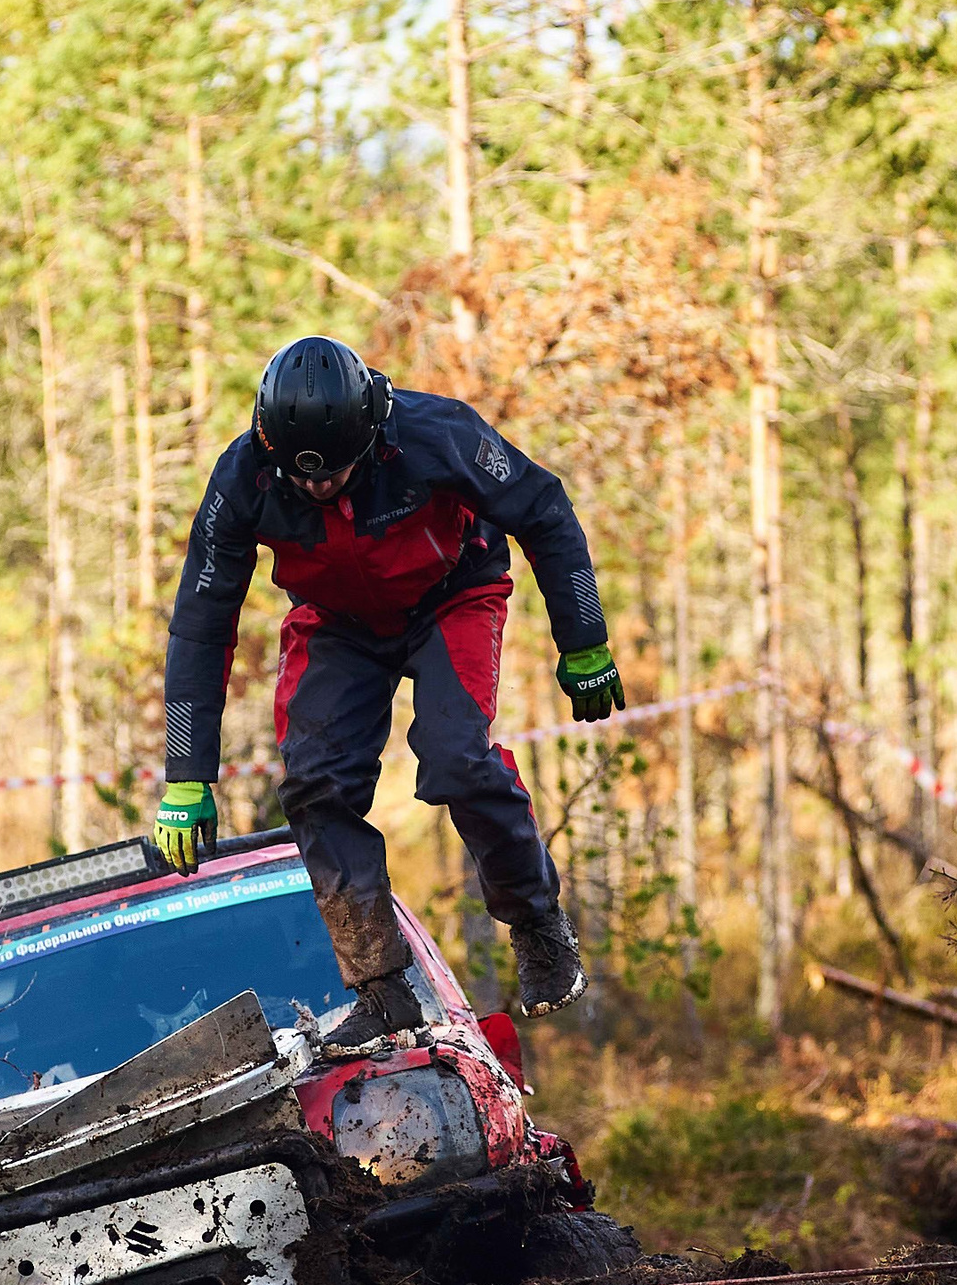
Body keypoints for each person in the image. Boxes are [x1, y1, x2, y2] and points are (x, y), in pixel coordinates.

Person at [150, 334, 626, 1055]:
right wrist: (187, 775)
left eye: (335, 472)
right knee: (313, 786)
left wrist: (583, 638)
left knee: (456, 758)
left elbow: (542, 508)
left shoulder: (436, 433)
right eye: (302, 476)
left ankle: (537, 922)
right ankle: (381, 988)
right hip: (337, 623)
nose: (318, 488)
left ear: (370, 433)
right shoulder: (243, 475)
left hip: (452, 596)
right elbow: (200, 622)